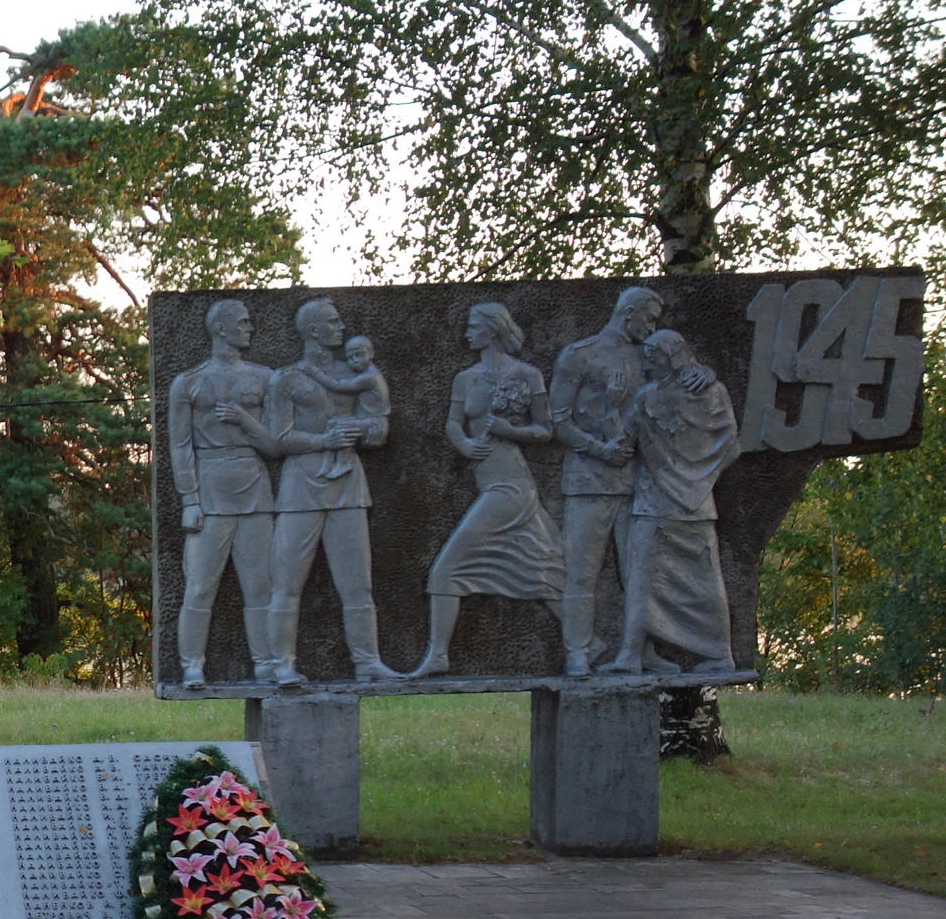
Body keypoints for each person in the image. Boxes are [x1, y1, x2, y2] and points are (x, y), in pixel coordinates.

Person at [548, 285, 706, 676]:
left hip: (640, 486)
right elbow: (557, 420)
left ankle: (639, 651)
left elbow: (687, 378)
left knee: (640, 574)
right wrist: (600, 449)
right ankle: (577, 653)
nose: (652, 327)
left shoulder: (651, 355)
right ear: (629, 312)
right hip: (588, 481)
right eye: (649, 319)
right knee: (581, 572)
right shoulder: (579, 355)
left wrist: (704, 372)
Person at [409, 303, 568, 676]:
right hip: (488, 479)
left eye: (473, 326)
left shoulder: (527, 375)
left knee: (445, 571)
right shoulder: (466, 378)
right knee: (541, 567)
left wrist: (510, 431)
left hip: (510, 483)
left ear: (492, 330)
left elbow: (545, 430)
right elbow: (453, 424)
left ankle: (437, 655)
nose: (466, 333)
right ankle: (587, 641)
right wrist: (464, 444)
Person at [250, 298, 393, 685]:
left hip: (348, 486)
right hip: (301, 489)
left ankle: (367, 662)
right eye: (333, 322)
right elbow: (278, 440)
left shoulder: (356, 372)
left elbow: (378, 428)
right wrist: (323, 439)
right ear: (313, 331)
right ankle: (282, 665)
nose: (341, 327)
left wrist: (367, 429)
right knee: (286, 582)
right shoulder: (287, 379)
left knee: (357, 582)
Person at [606, 328, 740, 676]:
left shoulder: (694, 393)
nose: (646, 363)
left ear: (673, 358)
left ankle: (716, 655)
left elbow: (621, 446)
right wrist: (697, 479)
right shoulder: (655, 395)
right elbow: (625, 446)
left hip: (664, 505)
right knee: (647, 580)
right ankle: (631, 654)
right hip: (684, 503)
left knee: (694, 583)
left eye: (653, 357)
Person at [167, 298, 277, 686]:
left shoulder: (265, 379)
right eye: (243, 322)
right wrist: (190, 499)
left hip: (254, 488)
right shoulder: (188, 382)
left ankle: (266, 663)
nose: (250, 328)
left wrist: (245, 421)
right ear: (221, 329)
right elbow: (180, 445)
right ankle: (192, 664)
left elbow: (275, 443)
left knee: (261, 585)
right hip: (209, 494)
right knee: (199, 585)